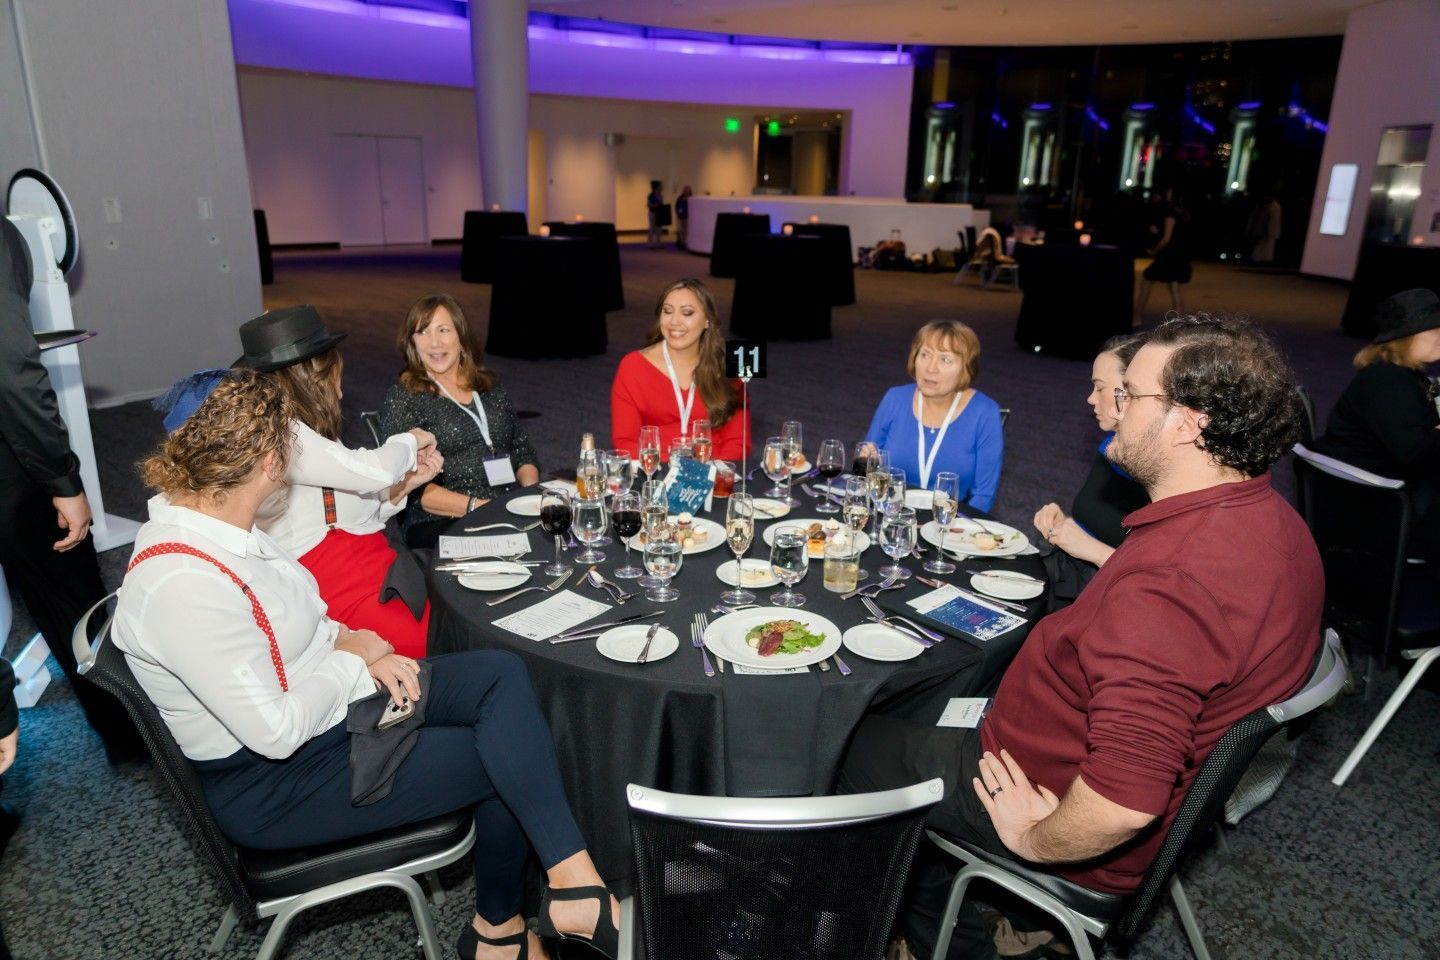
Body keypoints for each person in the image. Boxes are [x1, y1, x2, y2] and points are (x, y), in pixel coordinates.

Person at [840, 315, 1322, 960]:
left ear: (1187, 422)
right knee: (927, 698)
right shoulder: (1273, 521)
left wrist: (1034, 839)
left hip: (1039, 794)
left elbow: (1124, 800)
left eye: (1131, 394)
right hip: (1054, 747)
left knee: (844, 743)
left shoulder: (1173, 585)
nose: (1112, 407)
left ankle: (932, 937)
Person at [114, 371, 619, 960]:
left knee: (500, 676)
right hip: (280, 782)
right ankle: (502, 933)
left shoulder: (225, 531)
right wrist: (353, 663)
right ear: (266, 460)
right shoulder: (183, 583)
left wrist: (357, 642)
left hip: (324, 713)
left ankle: (566, 889)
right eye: (293, 440)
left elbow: (302, 615)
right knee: (504, 759)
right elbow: (274, 733)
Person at [0, 216, 144, 765]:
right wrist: (62, 481)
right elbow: (14, 373)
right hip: (12, 477)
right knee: (73, 602)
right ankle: (133, 735)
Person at [229, 305, 445, 658]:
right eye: (337, 376)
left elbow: (351, 513)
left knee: (455, 610)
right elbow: (369, 470)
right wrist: (409, 439)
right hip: (331, 584)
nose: (341, 390)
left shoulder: (306, 430)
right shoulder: (285, 432)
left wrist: (405, 484)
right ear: (316, 376)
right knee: (439, 638)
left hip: (367, 563)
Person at [380, 294, 540, 549]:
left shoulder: (489, 387)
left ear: (462, 338)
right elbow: (408, 485)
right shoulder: (405, 398)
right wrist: (480, 508)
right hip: (439, 519)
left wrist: (531, 497)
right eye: (423, 332)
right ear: (412, 343)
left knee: (561, 529)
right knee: (509, 546)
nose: (434, 343)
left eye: (443, 330)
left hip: (505, 506)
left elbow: (521, 449)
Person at [1311, 288, 1440, 563]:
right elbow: (1414, 454)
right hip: (1374, 498)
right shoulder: (1389, 383)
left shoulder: (1399, 375)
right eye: (1433, 330)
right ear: (1407, 338)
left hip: (1368, 483)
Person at [1031, 334, 1149, 607]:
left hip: (1109, 600)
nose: (1090, 399)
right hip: (1073, 575)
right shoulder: (1112, 444)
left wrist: (1092, 550)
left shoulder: (1160, 474)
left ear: (1130, 393)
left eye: (1100, 388)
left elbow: (1154, 583)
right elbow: (1104, 521)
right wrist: (1068, 525)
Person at [863, 320, 1004, 513]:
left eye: (945, 359)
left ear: (966, 368)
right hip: (892, 515)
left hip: (952, 523)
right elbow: (869, 466)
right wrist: (866, 461)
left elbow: (984, 495)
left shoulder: (985, 413)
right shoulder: (894, 399)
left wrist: (951, 531)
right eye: (925, 355)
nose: (931, 368)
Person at [610, 278, 751, 463]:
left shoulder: (734, 361)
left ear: (707, 320)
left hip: (715, 473)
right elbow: (625, 443)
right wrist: (680, 464)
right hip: (655, 473)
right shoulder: (632, 366)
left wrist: (705, 472)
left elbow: (739, 442)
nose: (674, 321)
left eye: (687, 313)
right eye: (667, 311)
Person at [1133, 187, 1191, 324]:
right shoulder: (1184, 213)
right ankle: (1179, 324)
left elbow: (1167, 238)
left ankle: (1136, 317)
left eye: (1170, 191)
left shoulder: (1170, 213)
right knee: (1175, 288)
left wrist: (1154, 251)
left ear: (1174, 195)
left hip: (1168, 256)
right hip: (1179, 255)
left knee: (1146, 281)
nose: (1168, 193)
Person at [645, 180, 665, 248]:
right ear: (657, 187)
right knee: (652, 228)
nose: (661, 187)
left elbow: (661, 204)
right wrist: (655, 205)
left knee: (659, 228)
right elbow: (648, 205)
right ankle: (650, 243)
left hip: (659, 214)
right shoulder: (650, 195)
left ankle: (658, 243)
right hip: (652, 213)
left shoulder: (661, 195)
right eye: (660, 186)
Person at [675, 185, 693, 250]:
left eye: (687, 190)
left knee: (687, 230)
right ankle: (682, 242)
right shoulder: (680, 197)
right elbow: (677, 206)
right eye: (685, 190)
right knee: (681, 230)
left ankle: (687, 242)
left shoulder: (692, 198)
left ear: (689, 190)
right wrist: (678, 213)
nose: (686, 191)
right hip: (681, 216)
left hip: (688, 216)